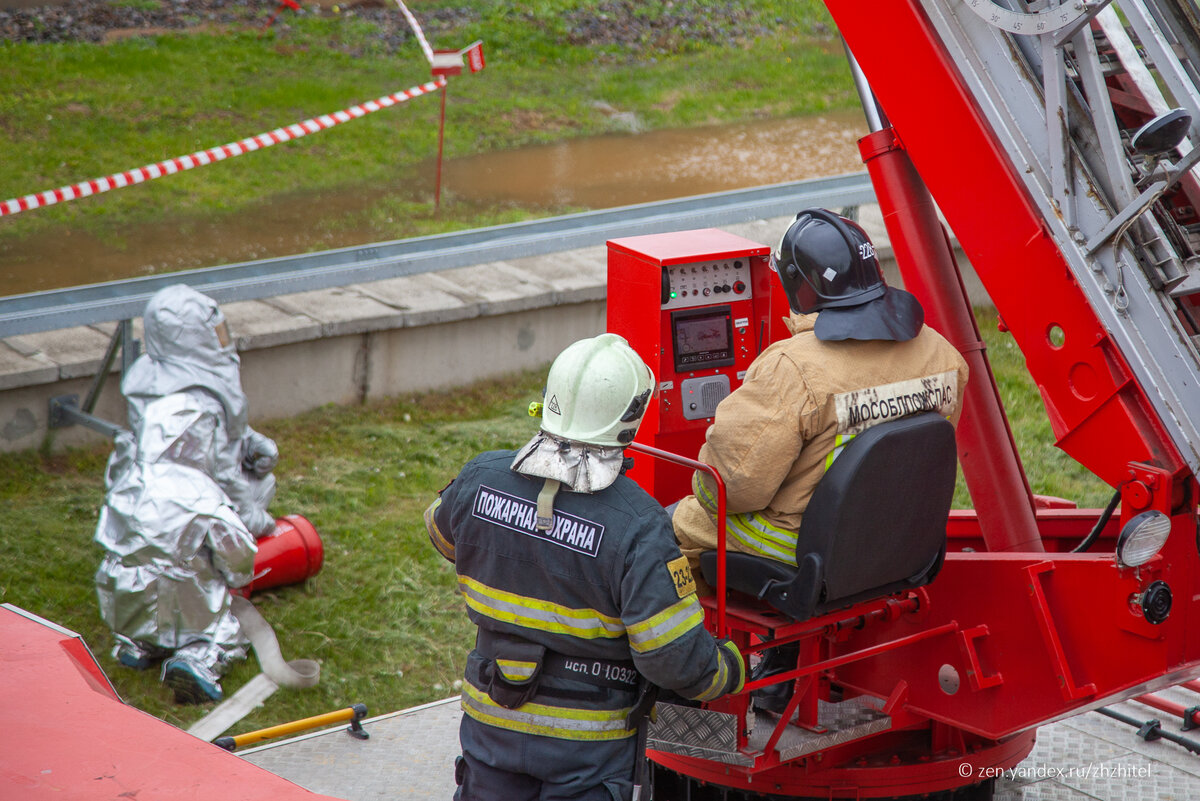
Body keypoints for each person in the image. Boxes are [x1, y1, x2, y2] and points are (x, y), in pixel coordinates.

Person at [425, 333, 745, 801]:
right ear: (630, 416)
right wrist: (728, 670)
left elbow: (442, 535)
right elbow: (668, 656)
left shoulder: (479, 478)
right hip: (586, 749)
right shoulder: (638, 526)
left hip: (493, 717)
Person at [670, 208, 969, 708]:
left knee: (663, 536)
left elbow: (734, 487)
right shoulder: (940, 353)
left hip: (804, 553)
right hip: (893, 545)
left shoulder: (795, 368)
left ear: (798, 286)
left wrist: (706, 477)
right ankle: (787, 668)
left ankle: (683, 681)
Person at [94, 284, 279, 703]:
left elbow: (108, 537)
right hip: (189, 572)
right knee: (220, 624)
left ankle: (137, 643)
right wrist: (252, 524)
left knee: (143, 595)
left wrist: (249, 441)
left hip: (130, 580)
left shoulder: (129, 481)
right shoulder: (204, 499)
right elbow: (239, 559)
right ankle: (198, 658)